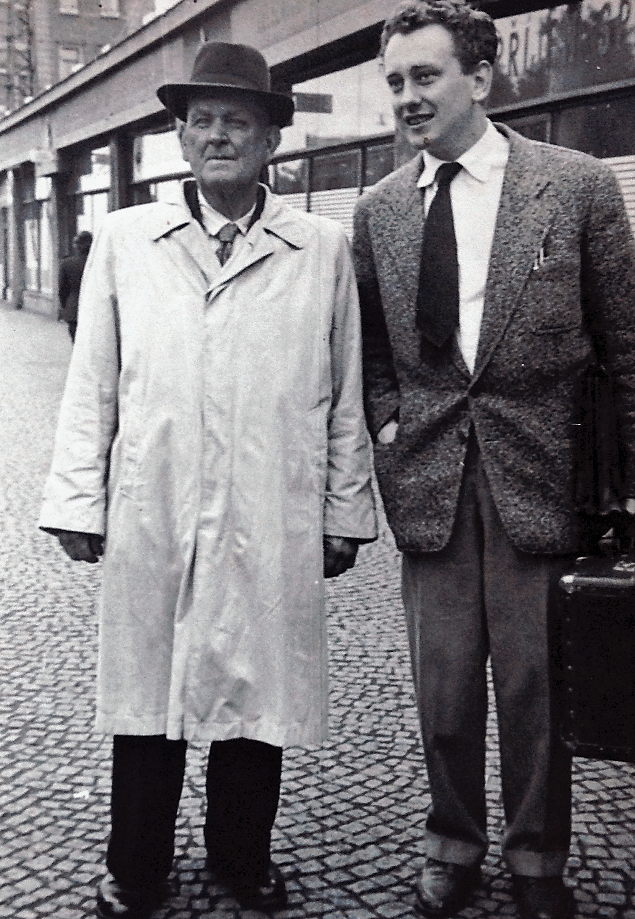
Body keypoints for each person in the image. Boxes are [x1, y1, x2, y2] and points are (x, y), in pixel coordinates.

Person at [40, 41, 376, 919]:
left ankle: (241, 857)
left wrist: (343, 509)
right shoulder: (126, 240)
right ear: (181, 139)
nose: (217, 135)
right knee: (147, 694)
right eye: (201, 122)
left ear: (270, 139)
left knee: (257, 694)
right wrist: (77, 498)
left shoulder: (319, 248)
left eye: (236, 120)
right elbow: (92, 380)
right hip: (154, 501)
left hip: (272, 505)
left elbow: (344, 389)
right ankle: (135, 865)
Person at [352, 2, 635, 918]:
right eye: (395, 81)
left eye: (424, 76)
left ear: (479, 78)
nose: (407, 97)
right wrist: (388, 423)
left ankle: (537, 857)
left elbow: (624, 342)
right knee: (441, 689)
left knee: (534, 686)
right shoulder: (378, 211)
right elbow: (372, 348)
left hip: (543, 476)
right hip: (428, 478)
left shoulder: (576, 185)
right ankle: (452, 842)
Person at [57, 230, 92, 342]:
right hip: (95, 309)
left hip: (73, 309)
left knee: (76, 342)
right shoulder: (97, 264)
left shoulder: (67, 263)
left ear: (76, 246)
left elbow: (62, 290)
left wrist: (65, 307)